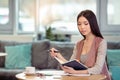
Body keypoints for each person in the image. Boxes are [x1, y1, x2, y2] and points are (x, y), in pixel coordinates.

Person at [49, 10, 111, 80]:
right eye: (79, 24)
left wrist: (75, 72)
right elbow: (71, 64)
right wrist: (58, 55)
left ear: (92, 24)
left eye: (85, 23)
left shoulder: (101, 42)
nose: (82, 27)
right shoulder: (79, 44)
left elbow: (97, 69)